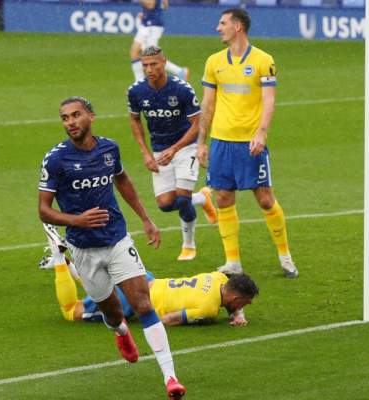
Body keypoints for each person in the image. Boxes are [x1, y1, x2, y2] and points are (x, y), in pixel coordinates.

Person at [38, 97, 185, 398]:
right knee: (113, 313)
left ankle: (170, 377)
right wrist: (77, 220)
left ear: (91, 116)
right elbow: (43, 210)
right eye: (65, 117)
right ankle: (121, 333)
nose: (70, 122)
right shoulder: (55, 160)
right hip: (83, 249)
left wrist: (146, 219)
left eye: (76, 115)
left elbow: (123, 180)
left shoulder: (109, 149)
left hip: (117, 240)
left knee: (143, 305)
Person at [197, 8, 298, 278]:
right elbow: (208, 103)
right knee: (223, 197)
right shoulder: (214, 61)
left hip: (249, 142)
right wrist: (201, 141)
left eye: (223, 23)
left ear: (238, 26)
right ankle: (233, 262)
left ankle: (285, 256)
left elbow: (269, 100)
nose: (218, 27)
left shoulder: (263, 60)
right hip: (221, 141)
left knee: (265, 199)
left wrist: (261, 132)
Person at [39, 225, 258, 327]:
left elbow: (231, 289)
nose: (243, 307)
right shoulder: (209, 310)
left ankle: (66, 264)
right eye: (244, 304)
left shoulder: (218, 277)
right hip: (136, 299)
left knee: (99, 285)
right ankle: (59, 257)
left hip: (145, 279)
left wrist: (236, 313)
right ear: (236, 298)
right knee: (71, 311)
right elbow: (166, 320)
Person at [127, 46, 218, 261]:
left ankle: (188, 245)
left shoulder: (182, 89)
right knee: (166, 204)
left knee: (182, 197)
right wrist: (146, 153)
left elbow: (197, 124)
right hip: (160, 150)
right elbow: (134, 119)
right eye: (145, 65)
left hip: (185, 147)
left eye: (154, 64)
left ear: (164, 63)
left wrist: (175, 149)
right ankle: (203, 198)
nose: (149, 69)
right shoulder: (136, 91)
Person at [130, 0, 188, 82]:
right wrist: (148, 14)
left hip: (152, 26)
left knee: (150, 56)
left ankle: (179, 71)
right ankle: (139, 82)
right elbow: (165, 5)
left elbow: (151, 5)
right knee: (135, 52)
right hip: (149, 23)